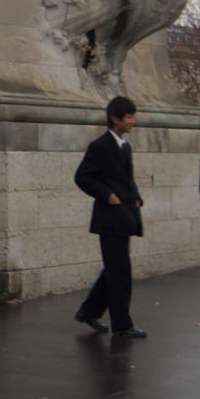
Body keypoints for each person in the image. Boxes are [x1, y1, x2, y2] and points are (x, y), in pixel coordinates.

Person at [73, 96, 146, 337]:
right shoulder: (100, 146)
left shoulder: (124, 146)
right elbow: (83, 177)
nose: (132, 122)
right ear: (115, 119)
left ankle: (89, 312)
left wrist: (134, 196)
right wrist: (107, 195)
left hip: (125, 214)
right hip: (110, 217)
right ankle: (122, 324)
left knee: (115, 270)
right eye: (129, 118)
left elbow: (127, 177)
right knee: (120, 272)